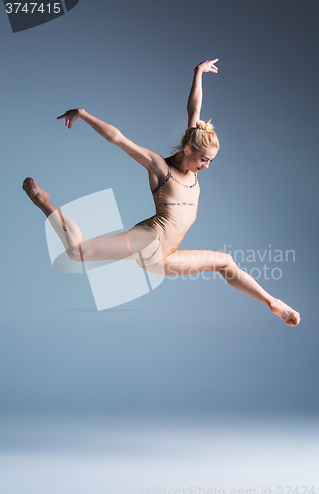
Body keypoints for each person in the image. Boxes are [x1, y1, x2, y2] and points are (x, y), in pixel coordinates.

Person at [22, 59, 300, 326]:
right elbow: (117, 139)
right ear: (189, 150)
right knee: (77, 253)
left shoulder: (193, 147)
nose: (206, 166)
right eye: (204, 159)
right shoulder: (160, 168)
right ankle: (41, 200)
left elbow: (194, 110)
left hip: (164, 257)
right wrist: (82, 114)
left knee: (225, 262)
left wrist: (198, 73)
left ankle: (273, 302)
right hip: (149, 239)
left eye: (211, 161)